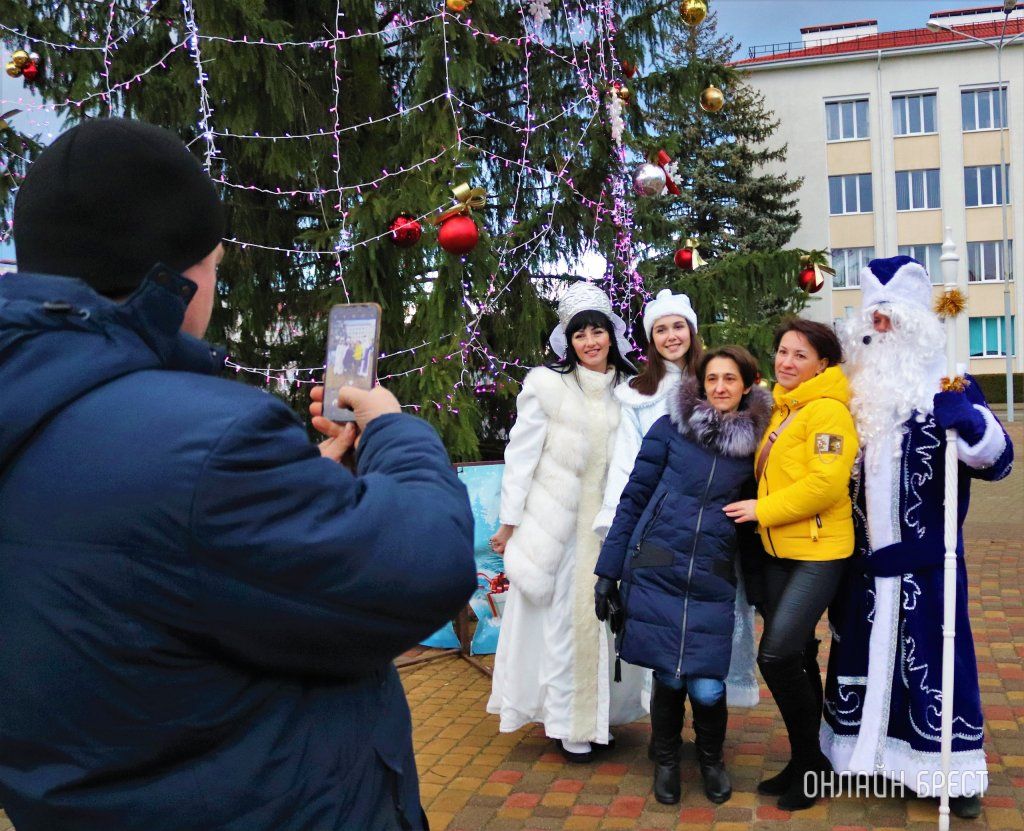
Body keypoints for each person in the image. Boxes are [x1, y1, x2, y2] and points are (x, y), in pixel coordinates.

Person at [0, 118, 475, 831]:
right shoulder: (208, 444)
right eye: (215, 264)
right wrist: (391, 428)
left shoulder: (28, 405)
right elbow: (426, 563)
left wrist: (303, 486)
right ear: (177, 275)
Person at [821, 256, 1013, 820]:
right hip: (863, 564)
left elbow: (998, 461)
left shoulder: (950, 383)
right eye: (872, 318)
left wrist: (970, 422)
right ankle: (866, 757)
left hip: (930, 563)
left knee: (937, 659)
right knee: (859, 654)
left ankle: (949, 769)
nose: (879, 327)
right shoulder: (852, 390)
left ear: (915, 322)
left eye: (891, 317)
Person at [594, 346, 772, 805]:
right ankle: (668, 760)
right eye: (712, 378)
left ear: (747, 385)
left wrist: (762, 590)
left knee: (708, 683)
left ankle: (712, 760)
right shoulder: (670, 428)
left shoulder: (758, 445)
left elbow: (758, 522)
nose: (720, 387)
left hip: (713, 574)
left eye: (730, 379)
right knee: (670, 677)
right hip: (659, 565)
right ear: (699, 383)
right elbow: (633, 498)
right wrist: (608, 571)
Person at [486, 281, 646, 762]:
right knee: (561, 629)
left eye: (598, 332)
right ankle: (566, 723)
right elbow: (521, 456)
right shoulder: (546, 386)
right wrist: (510, 523)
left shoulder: (631, 390)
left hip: (609, 529)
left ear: (612, 335)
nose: (590, 342)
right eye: (580, 334)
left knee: (605, 625)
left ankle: (597, 718)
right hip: (556, 531)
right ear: (567, 341)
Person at [595, 289, 761, 713]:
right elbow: (628, 469)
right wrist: (617, 539)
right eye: (661, 329)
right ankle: (664, 734)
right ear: (651, 339)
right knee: (661, 639)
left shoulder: (717, 379)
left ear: (692, 330)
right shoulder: (638, 394)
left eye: (678, 326)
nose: (671, 336)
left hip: (714, 537)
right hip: (663, 530)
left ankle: (710, 721)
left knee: (714, 633)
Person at [723, 318, 858, 811]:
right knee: (798, 655)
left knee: (776, 656)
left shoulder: (828, 411)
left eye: (800, 355)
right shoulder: (783, 407)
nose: (787, 361)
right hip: (779, 551)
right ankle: (807, 761)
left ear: (823, 363)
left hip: (819, 553)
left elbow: (825, 485)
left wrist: (763, 510)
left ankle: (811, 762)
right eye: (782, 351)